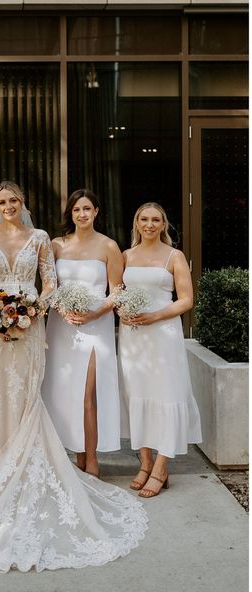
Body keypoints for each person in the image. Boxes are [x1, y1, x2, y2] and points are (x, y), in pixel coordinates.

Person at [0, 181, 147, 572]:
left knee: (26, 393)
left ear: (23, 204)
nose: (8, 206)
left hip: (29, 323)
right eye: (2, 201)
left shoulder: (40, 237)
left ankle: (31, 462)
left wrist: (33, 308)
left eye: (14, 201)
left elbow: (50, 280)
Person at [118, 202, 202, 498]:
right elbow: (117, 293)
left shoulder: (174, 256)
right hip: (133, 337)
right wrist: (121, 312)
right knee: (136, 393)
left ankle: (162, 466)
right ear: (136, 222)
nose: (150, 224)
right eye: (144, 219)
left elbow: (186, 300)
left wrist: (156, 315)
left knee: (167, 394)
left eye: (156, 220)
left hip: (164, 335)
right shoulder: (126, 255)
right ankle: (145, 462)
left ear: (163, 224)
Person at [42, 189, 123, 478]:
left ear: (96, 211)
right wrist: (61, 310)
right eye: (77, 210)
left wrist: (94, 313)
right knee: (65, 392)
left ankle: (91, 458)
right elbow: (48, 287)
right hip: (61, 327)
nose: (82, 214)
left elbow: (116, 292)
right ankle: (74, 453)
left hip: (95, 326)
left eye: (87, 208)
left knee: (88, 394)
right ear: (70, 214)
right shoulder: (56, 245)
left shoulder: (109, 247)